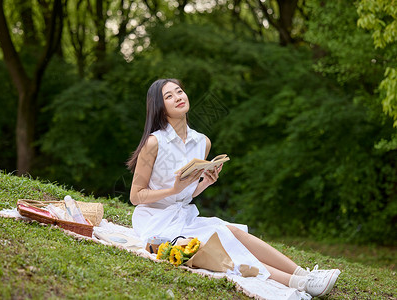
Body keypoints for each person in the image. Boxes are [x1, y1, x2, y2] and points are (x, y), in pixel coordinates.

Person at [127, 78, 340, 297]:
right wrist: (173, 189)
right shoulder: (154, 143)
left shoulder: (202, 142)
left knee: (233, 231)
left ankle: (304, 274)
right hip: (155, 222)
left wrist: (205, 183)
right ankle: (299, 283)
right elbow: (136, 196)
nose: (178, 97)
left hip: (183, 216)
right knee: (220, 243)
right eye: (168, 96)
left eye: (179, 91)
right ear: (160, 108)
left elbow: (183, 196)